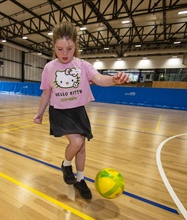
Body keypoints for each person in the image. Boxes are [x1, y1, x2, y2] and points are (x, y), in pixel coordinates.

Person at [33, 22, 130, 199]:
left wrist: (114, 79)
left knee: (82, 148)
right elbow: (47, 92)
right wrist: (39, 113)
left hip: (78, 111)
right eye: (60, 49)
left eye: (69, 49)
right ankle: (65, 164)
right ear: (54, 47)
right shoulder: (49, 68)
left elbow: (99, 79)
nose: (64, 54)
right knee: (76, 143)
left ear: (75, 46)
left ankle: (80, 179)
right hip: (60, 111)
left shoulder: (82, 65)